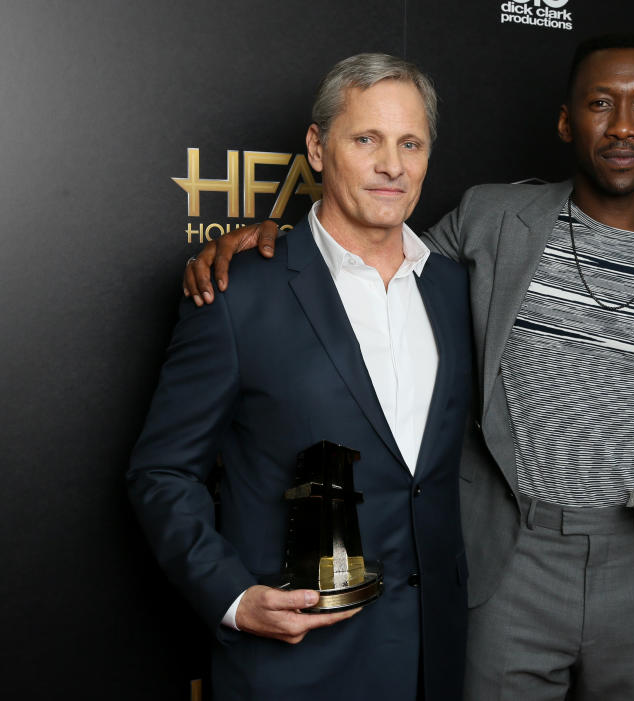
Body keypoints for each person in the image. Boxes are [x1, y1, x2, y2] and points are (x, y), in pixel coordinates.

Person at [183, 35, 634, 701]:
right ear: (567, 121)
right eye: (600, 104)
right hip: (509, 558)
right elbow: (368, 248)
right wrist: (260, 238)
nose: (623, 125)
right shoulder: (491, 220)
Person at [129, 53, 472, 701]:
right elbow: (161, 471)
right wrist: (231, 596)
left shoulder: (455, 287)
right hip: (295, 666)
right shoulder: (239, 291)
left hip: (435, 660)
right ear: (317, 147)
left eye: (410, 143)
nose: (391, 165)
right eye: (365, 138)